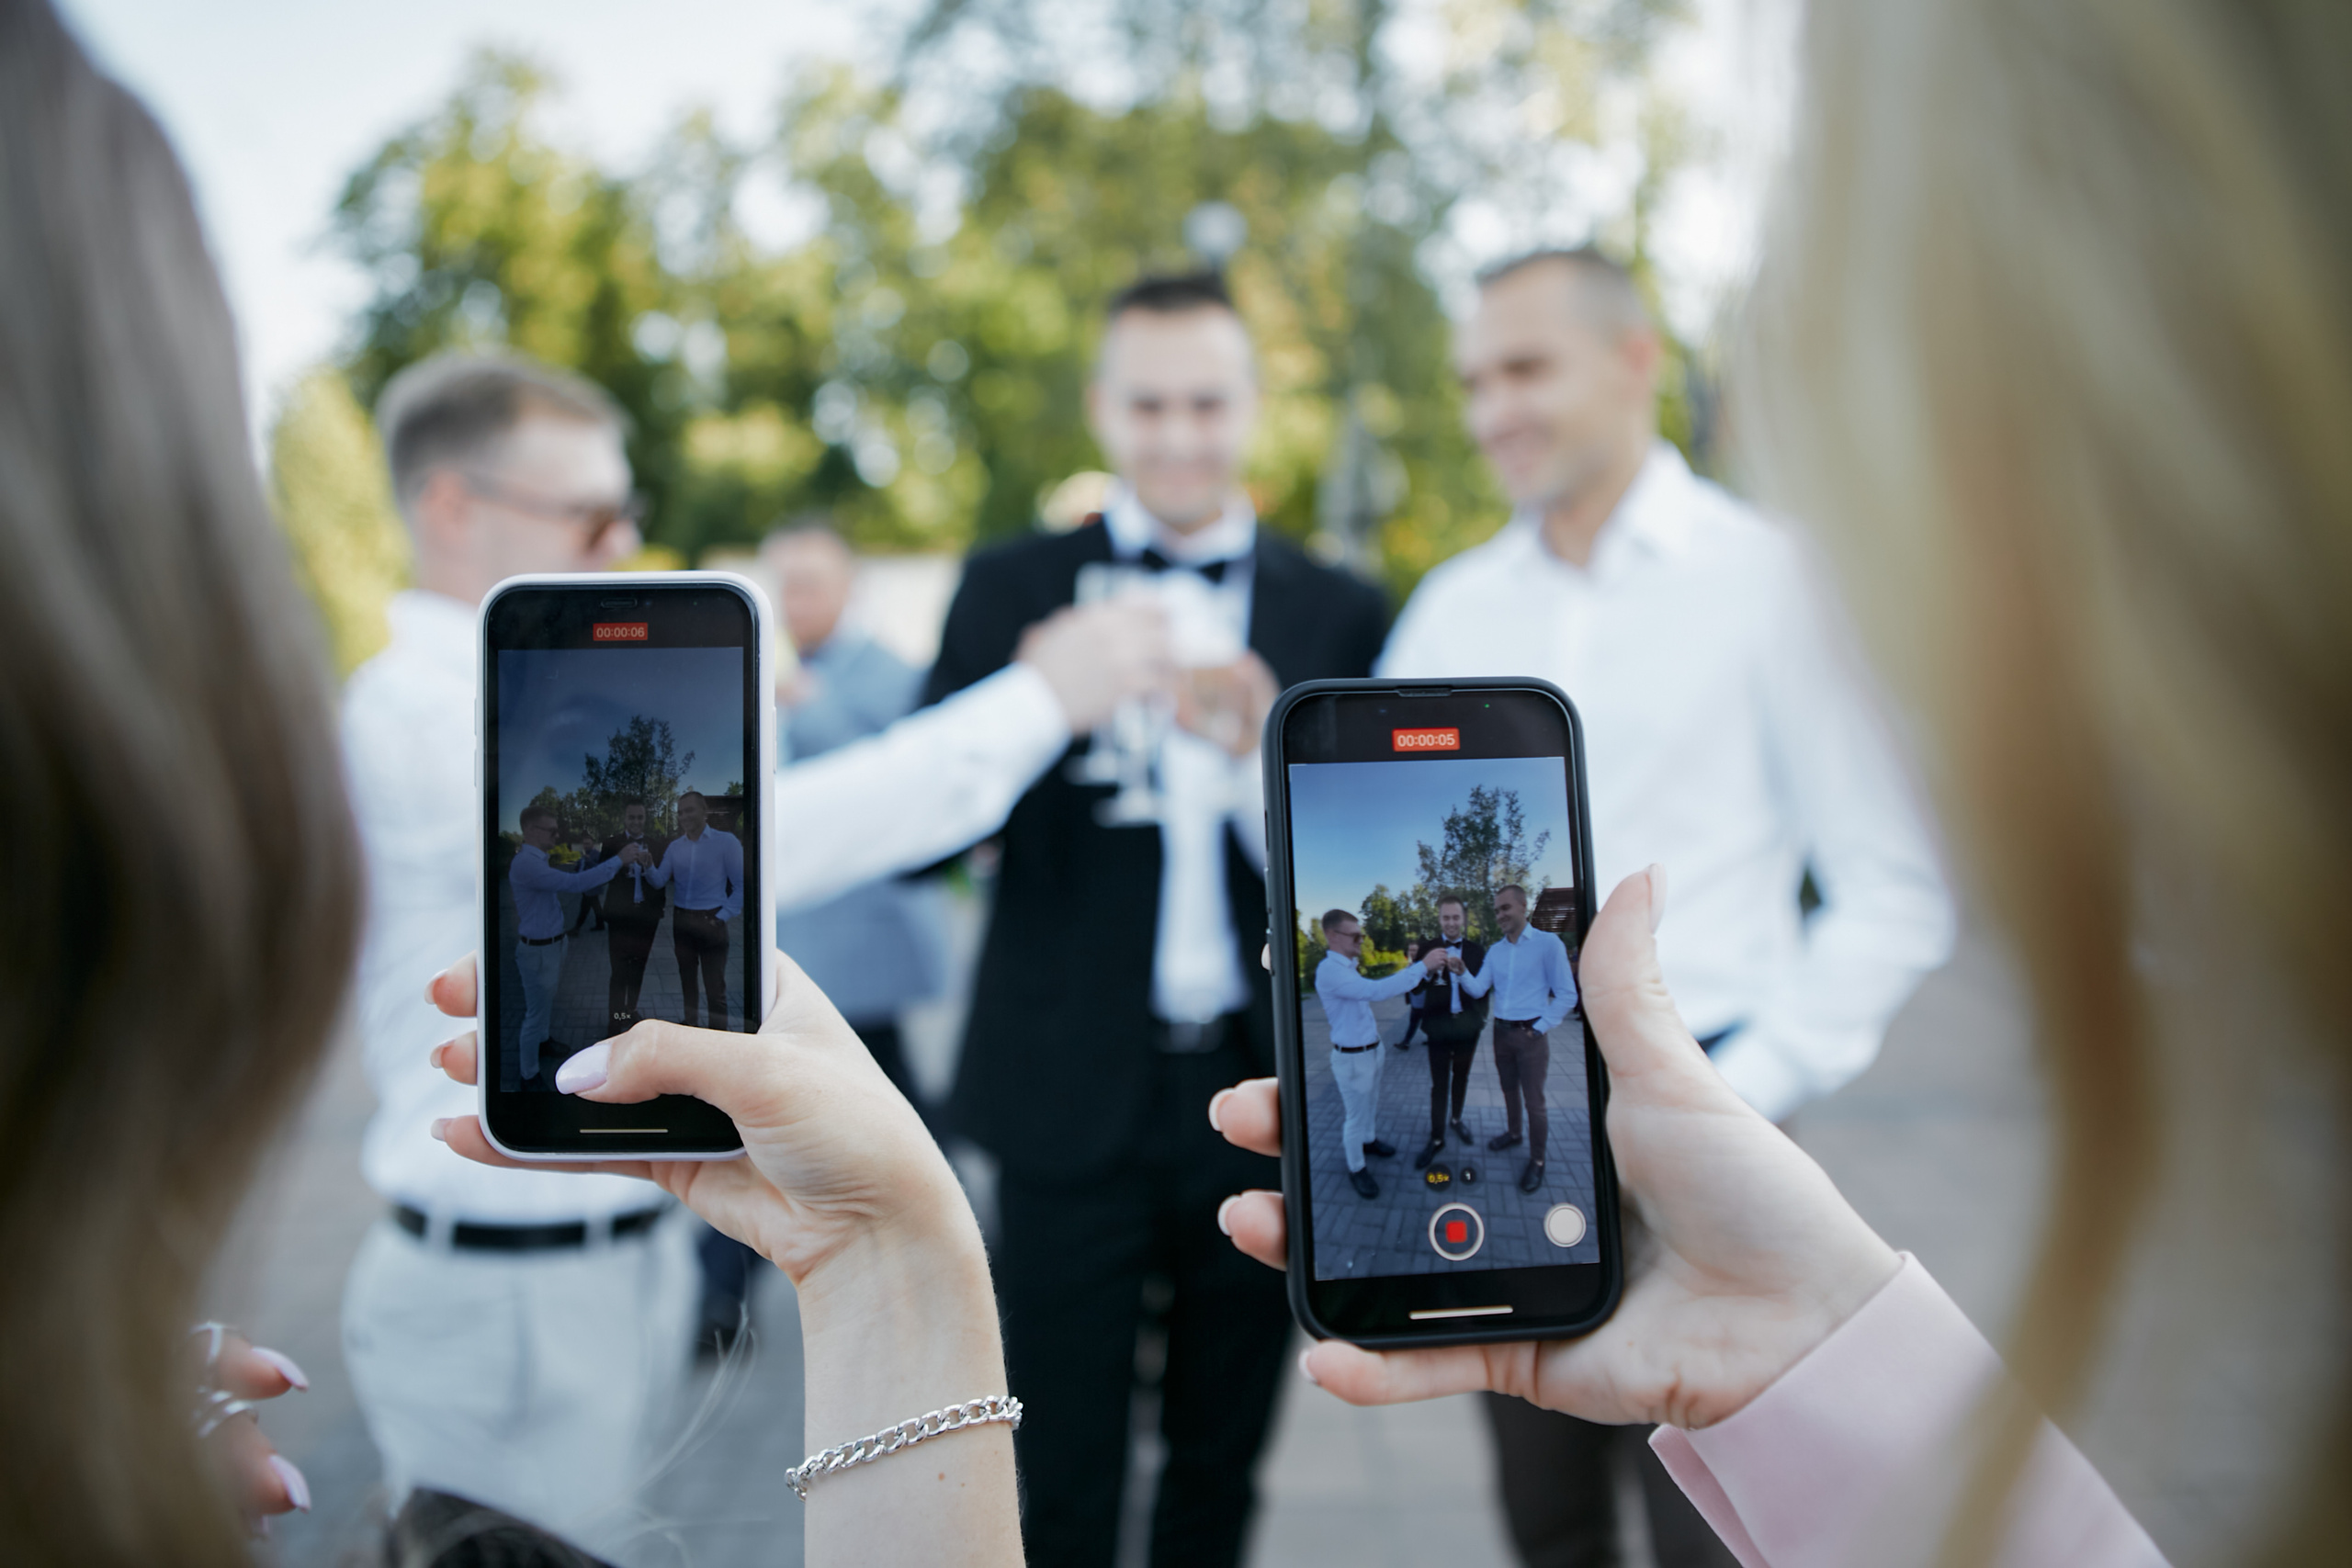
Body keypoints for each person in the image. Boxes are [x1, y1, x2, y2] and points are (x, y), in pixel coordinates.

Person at [1376, 243, 1957, 1562]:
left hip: (1719, 1110)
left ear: (1637, 358)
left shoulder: (1776, 582)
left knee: (1719, 1520)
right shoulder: (1453, 607)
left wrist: (1750, 1078)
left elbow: (1894, 882)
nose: (1490, 411)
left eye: (1524, 367)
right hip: (1508, 1118)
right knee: (1544, 1511)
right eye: (1472, 378)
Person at [923, 271, 1391, 1565]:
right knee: (1053, 1456)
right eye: (1148, 402)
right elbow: (938, 829)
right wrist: (1034, 703)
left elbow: (1372, 889)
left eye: (1207, 401)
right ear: (1101, 405)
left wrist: (1259, 758)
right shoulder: (1006, 582)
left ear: (1253, 406)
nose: (1179, 434)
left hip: (1261, 1094)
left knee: (1219, 1453)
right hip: (1061, 1091)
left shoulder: (1341, 607)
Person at [766, 519, 940, 1108]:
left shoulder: (892, 672)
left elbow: (887, 783)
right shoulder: (791, 667)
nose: (795, 602)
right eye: (785, 585)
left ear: (851, 586)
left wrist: (803, 702)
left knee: (877, 1078)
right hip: (809, 920)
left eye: (810, 584)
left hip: (865, 924)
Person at [1452, 884, 1578, 1193]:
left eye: (1505, 908)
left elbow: (1567, 994)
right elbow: (1480, 989)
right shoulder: (1496, 951)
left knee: (1535, 1103)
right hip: (1501, 1034)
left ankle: (1537, 1161)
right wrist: (1462, 971)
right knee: (1508, 1090)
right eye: (1496, 910)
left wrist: (1540, 1027)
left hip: (1531, 1036)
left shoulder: (1548, 944)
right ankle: (1513, 1133)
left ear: (1523, 907)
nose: (1500, 915)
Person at [1315, 913, 1451, 1198]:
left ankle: (1369, 1140)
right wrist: (1422, 967)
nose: (1361, 940)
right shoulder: (1330, 970)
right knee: (1355, 1116)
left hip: (1370, 1051)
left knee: (1370, 1103)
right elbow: (1376, 992)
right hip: (1352, 1059)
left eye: (1360, 934)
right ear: (1334, 937)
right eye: (1355, 936)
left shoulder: (1347, 967)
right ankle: (1356, 1167)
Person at [506, 804, 639, 1085]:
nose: (558, 836)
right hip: (539, 951)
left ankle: (543, 1042)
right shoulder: (526, 863)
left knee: (543, 1005)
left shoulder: (536, 859)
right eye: (552, 831)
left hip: (550, 946)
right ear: (530, 830)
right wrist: (619, 860)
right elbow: (576, 883)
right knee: (534, 1013)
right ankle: (528, 1074)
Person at [646, 790, 743, 1031]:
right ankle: (690, 1029)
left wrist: (720, 918)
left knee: (715, 991)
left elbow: (741, 887)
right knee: (687, 984)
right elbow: (659, 881)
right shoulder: (675, 847)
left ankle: (718, 1041)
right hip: (682, 923)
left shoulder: (726, 842)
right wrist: (648, 866)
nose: (684, 816)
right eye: (680, 812)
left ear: (704, 811)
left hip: (712, 922)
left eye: (689, 810)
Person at [1414, 895, 1489, 1170]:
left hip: (1468, 1029)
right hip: (1438, 1029)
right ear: (1439, 919)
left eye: (1456, 917)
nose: (1451, 923)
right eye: (1446, 917)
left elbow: (1484, 989)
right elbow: (1414, 989)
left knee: (1462, 1078)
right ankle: (1436, 1139)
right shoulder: (1429, 948)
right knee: (1439, 1086)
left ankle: (1456, 1120)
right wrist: (1426, 970)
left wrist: (1480, 1019)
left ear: (1464, 919)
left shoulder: (1476, 950)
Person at [596, 799, 668, 1031]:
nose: (636, 822)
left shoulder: (657, 845)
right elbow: (601, 876)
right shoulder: (611, 844)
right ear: (625, 819)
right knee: (619, 970)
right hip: (619, 918)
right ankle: (616, 1019)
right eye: (632, 817)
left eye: (640, 817)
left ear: (645, 819)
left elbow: (662, 883)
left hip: (647, 919)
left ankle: (631, 1010)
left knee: (639, 966)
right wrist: (620, 861)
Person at [1395, 938, 1428, 1050]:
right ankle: (1431, 1038)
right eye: (1410, 950)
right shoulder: (1412, 965)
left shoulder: (1422, 965)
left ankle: (1406, 1042)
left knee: (1414, 1022)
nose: (1412, 952)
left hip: (1422, 1001)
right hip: (1416, 1000)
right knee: (1421, 1023)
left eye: (1414, 950)